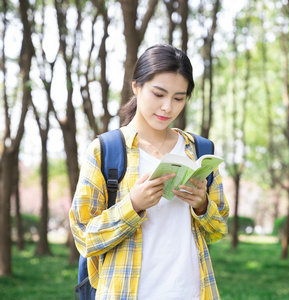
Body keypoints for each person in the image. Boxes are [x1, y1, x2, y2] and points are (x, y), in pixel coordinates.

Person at [69, 44, 229, 300]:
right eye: (158, 94)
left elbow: (218, 230)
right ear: (136, 86)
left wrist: (201, 205)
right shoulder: (105, 150)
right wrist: (133, 205)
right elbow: (85, 238)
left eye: (179, 98)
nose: (168, 107)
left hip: (191, 292)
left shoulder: (198, 150)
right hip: (125, 292)